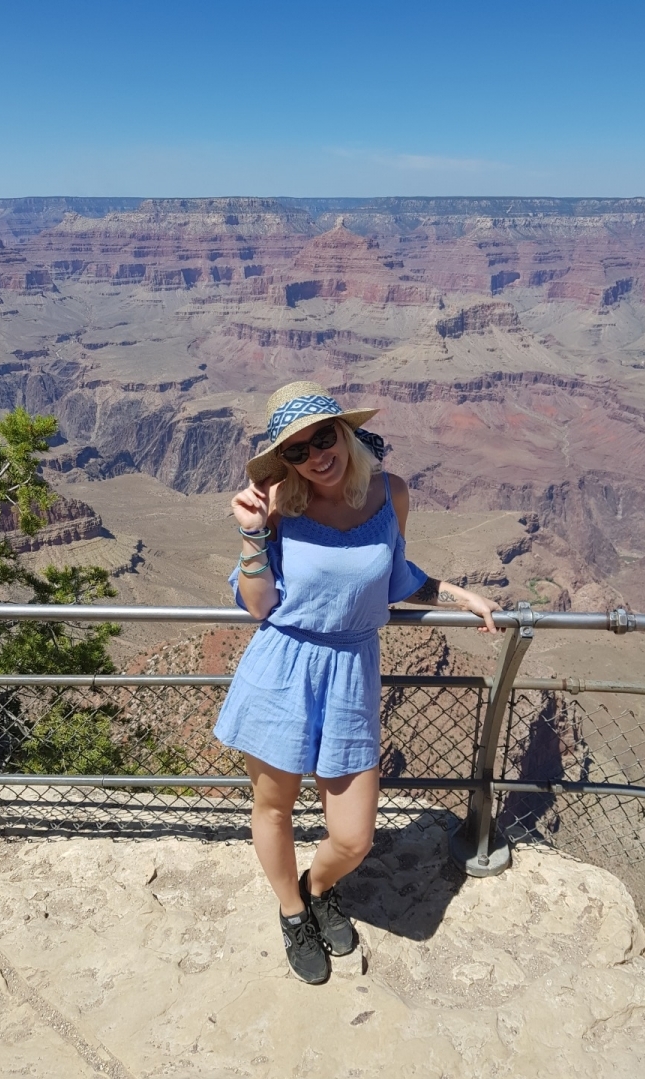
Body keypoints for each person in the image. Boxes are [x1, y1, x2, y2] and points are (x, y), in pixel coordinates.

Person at [214, 381, 501, 984]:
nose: (317, 457)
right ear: (284, 461)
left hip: (351, 673)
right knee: (274, 808)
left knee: (353, 838)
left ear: (345, 432)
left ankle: (317, 889)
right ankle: (293, 913)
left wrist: (458, 596)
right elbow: (260, 605)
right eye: (297, 451)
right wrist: (252, 534)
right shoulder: (279, 505)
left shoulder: (391, 492)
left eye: (324, 438)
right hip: (284, 668)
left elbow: (396, 576)